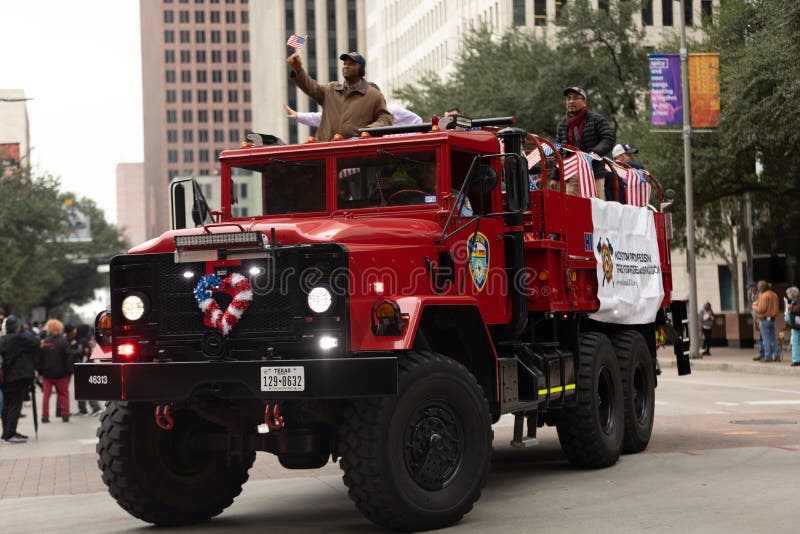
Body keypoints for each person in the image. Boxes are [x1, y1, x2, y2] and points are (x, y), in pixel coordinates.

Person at [287, 51, 392, 141]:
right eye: (345, 64)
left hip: (357, 152)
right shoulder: (330, 89)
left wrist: (368, 131)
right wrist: (298, 69)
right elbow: (310, 87)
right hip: (327, 151)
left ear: (361, 69)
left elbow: (386, 118)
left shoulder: (374, 95)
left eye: (351, 64)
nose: (346, 66)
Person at [555, 86, 615, 199]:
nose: (571, 101)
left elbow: (608, 138)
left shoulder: (596, 119)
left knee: (596, 206)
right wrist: (555, 176)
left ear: (584, 102)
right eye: (568, 98)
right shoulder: (562, 124)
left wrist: (595, 152)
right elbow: (558, 149)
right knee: (572, 207)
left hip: (594, 171)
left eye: (576, 98)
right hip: (571, 172)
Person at [0, 315, 40, 443]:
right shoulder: (18, 338)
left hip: (5, 377)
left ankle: (6, 432)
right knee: (15, 406)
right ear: (17, 327)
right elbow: (35, 342)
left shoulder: (2, 339)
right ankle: (10, 434)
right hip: (17, 377)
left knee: (6, 405)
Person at [36, 319, 74, 423]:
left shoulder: (44, 342)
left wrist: (40, 371)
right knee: (63, 394)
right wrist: (69, 371)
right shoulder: (64, 342)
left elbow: (39, 358)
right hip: (62, 374)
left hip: (47, 374)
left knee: (46, 396)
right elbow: (68, 357)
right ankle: (65, 415)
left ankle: (45, 416)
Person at [66, 324, 101, 416]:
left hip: (86, 367)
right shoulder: (77, 340)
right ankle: (83, 410)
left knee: (88, 388)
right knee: (80, 389)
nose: (75, 332)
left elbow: (84, 353)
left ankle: (96, 408)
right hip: (81, 367)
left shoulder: (83, 341)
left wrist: (73, 352)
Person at [752, 280, 780, 362]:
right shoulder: (774, 294)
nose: (758, 288)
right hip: (772, 319)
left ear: (761, 287)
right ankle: (777, 355)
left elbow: (762, 309)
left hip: (764, 319)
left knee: (766, 339)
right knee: (773, 338)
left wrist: (754, 306)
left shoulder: (764, 295)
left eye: (759, 287)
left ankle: (768, 356)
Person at [785, 286, 800, 366]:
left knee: (795, 342)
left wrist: (791, 307)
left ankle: (796, 360)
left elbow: (798, 309)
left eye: (789, 293)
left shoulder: (797, 300)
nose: (787, 295)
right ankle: (797, 359)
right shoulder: (794, 300)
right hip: (795, 324)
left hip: (797, 324)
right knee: (796, 342)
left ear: (793, 293)